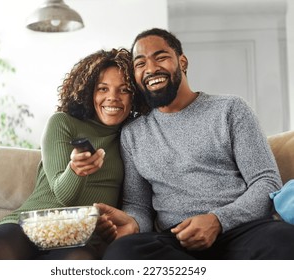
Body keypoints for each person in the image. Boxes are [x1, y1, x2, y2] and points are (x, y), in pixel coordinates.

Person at [96, 28, 294, 260]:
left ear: (182, 62)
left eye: (160, 57)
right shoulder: (132, 134)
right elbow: (138, 205)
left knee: (285, 241)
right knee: (121, 252)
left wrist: (218, 220)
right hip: (175, 240)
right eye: (140, 63)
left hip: (240, 230)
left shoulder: (230, 109)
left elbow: (266, 181)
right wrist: (133, 223)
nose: (150, 69)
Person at [0, 48, 147, 260]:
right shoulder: (63, 123)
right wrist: (76, 171)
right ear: (89, 91)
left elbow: (138, 203)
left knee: (78, 264)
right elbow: (64, 196)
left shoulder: (133, 135)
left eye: (124, 90)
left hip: (81, 237)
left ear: (135, 96)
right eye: (102, 89)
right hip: (32, 225)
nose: (112, 98)